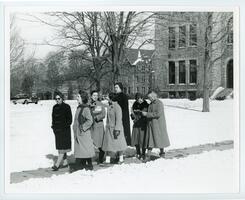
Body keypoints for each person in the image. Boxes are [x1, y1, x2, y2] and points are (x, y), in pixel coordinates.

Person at [71, 90, 95, 172]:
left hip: (83, 133)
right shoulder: (80, 107)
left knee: (84, 149)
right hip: (79, 133)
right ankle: (85, 165)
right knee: (83, 150)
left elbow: (90, 120)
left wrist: (82, 127)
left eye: (78, 97)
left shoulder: (85, 109)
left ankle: (81, 165)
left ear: (82, 98)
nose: (76, 98)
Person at [141, 91, 170, 158]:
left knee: (159, 139)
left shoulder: (159, 103)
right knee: (150, 139)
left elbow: (158, 114)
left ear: (154, 96)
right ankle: (148, 155)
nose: (149, 99)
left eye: (150, 97)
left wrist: (147, 114)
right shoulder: (151, 104)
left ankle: (162, 153)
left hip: (158, 125)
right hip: (151, 125)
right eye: (148, 97)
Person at [102, 92, 127, 164]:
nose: (107, 100)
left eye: (108, 98)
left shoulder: (117, 107)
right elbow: (102, 105)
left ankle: (121, 159)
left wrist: (117, 129)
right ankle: (107, 160)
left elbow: (119, 119)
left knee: (119, 144)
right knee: (108, 145)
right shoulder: (110, 106)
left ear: (111, 99)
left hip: (116, 129)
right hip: (109, 129)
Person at [51, 92, 72, 171]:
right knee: (61, 147)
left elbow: (70, 120)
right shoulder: (54, 107)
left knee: (62, 148)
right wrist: (53, 127)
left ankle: (57, 164)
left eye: (59, 98)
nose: (57, 100)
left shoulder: (67, 107)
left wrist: (63, 127)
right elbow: (53, 118)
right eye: (56, 99)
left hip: (64, 131)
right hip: (57, 131)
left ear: (62, 98)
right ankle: (65, 162)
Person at [89, 90, 106, 164]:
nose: (95, 97)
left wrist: (97, 117)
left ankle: (101, 158)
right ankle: (90, 158)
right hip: (91, 126)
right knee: (91, 142)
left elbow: (103, 114)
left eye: (96, 95)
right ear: (91, 96)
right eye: (94, 95)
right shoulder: (88, 104)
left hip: (99, 126)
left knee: (100, 143)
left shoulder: (100, 104)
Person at [130, 93, 149, 159]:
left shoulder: (146, 104)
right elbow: (132, 112)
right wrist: (132, 116)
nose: (139, 100)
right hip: (136, 123)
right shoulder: (135, 104)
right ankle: (138, 151)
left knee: (142, 138)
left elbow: (147, 114)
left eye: (140, 98)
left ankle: (143, 152)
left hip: (143, 124)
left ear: (142, 98)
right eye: (138, 99)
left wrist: (141, 112)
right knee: (136, 138)